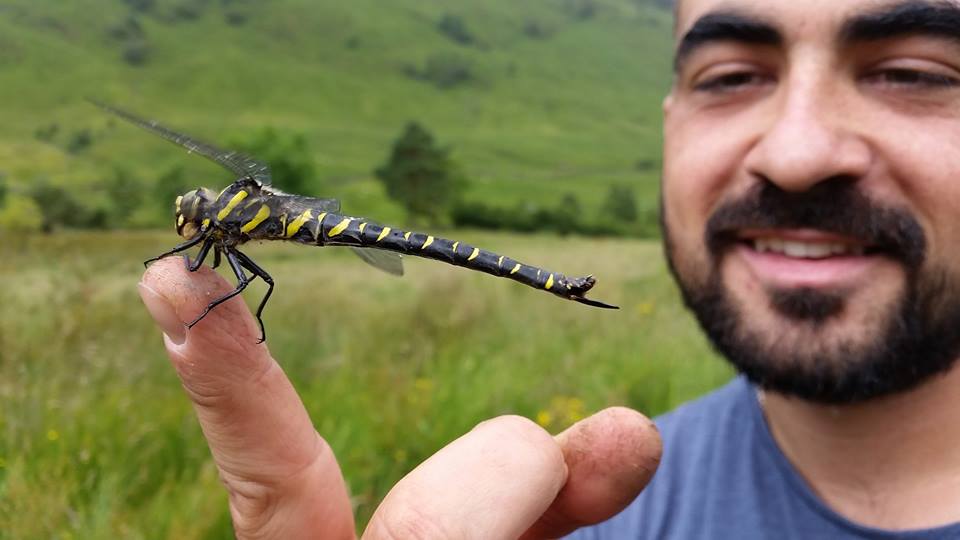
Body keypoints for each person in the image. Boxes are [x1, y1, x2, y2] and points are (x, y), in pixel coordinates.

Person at [138, 0, 960, 537]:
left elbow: (241, 275)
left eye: (916, 72)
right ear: (672, 122)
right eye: (732, 77)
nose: (796, 154)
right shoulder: (586, 514)